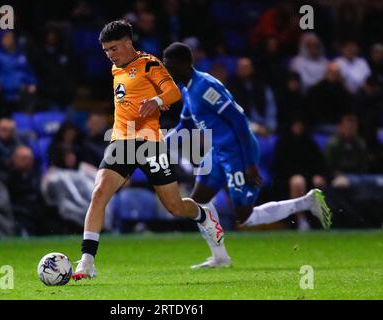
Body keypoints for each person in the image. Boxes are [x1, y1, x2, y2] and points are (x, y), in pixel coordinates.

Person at [72, 21, 224, 280]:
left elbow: (173, 92)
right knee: (99, 193)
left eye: (114, 48)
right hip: (121, 142)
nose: (110, 54)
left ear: (128, 44)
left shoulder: (149, 64)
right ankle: (86, 261)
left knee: (174, 207)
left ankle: (202, 213)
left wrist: (156, 100)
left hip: (149, 144)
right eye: (106, 50)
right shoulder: (114, 69)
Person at [162, 42, 332, 268]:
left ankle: (307, 201)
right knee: (198, 201)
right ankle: (220, 257)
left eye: (170, 67)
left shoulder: (206, 87)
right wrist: (159, 144)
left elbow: (239, 120)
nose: (167, 72)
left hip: (238, 152)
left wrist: (251, 163)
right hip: (218, 150)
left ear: (184, 65)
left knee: (244, 216)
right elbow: (184, 125)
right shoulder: (187, 89)